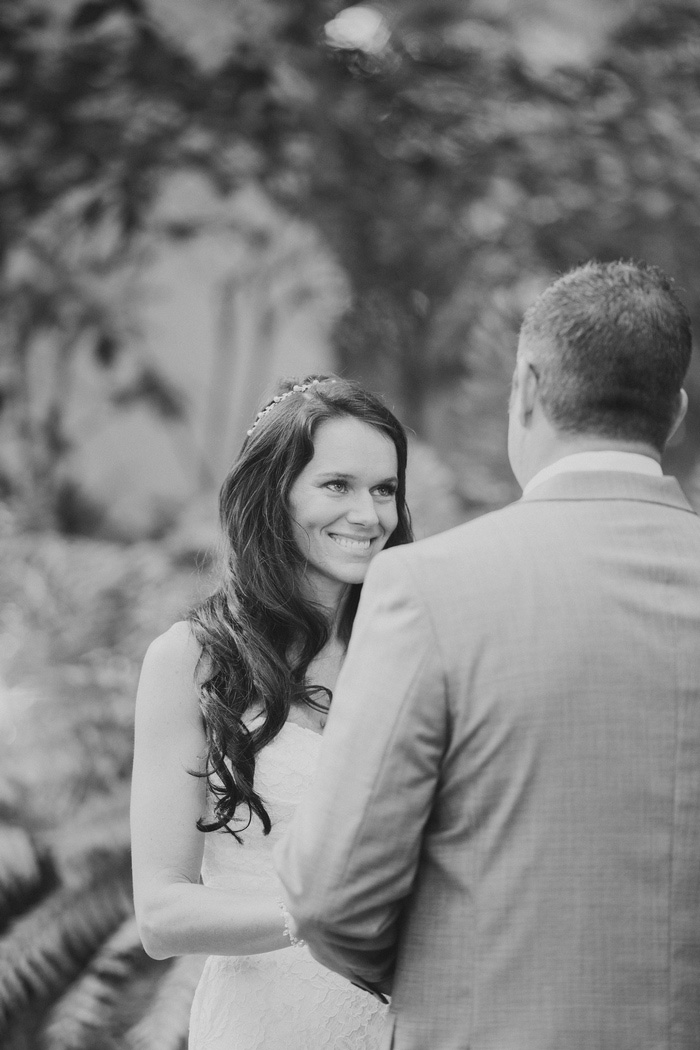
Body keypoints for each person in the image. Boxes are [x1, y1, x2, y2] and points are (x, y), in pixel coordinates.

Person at [277, 260, 700, 1049]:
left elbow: (331, 898)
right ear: (673, 413)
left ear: (528, 389)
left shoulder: (430, 587)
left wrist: (445, 975)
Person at [130, 375, 412, 1050]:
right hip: (266, 1023)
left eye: (385, 489)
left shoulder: (414, 650)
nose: (369, 515)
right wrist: (319, 918)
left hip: (410, 1022)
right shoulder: (191, 662)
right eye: (337, 485)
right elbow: (161, 913)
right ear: (273, 492)